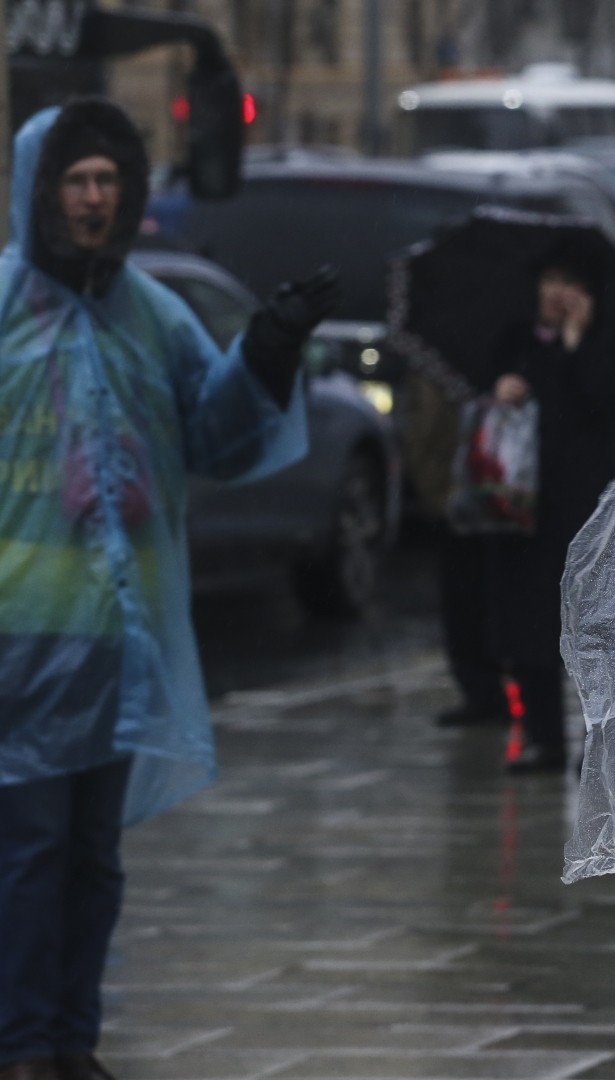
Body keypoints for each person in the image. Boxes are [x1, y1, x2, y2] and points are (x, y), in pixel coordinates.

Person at [0, 100, 334, 1080]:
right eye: (77, 180)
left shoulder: (151, 312)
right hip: (17, 638)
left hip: (119, 635)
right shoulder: (7, 308)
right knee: (28, 854)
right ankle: (20, 1043)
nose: (95, 198)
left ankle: (71, 1039)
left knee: (95, 859)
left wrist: (268, 348)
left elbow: (216, 434)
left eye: (109, 179)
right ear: (40, 191)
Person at [440, 260, 615, 772]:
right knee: (526, 626)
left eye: (572, 284)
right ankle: (542, 736)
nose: (559, 294)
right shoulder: (516, 339)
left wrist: (574, 344)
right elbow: (483, 392)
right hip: (521, 507)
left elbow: (602, 399)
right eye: (552, 281)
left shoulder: (604, 342)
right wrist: (502, 387)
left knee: (594, 626)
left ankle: (599, 743)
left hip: (584, 502)